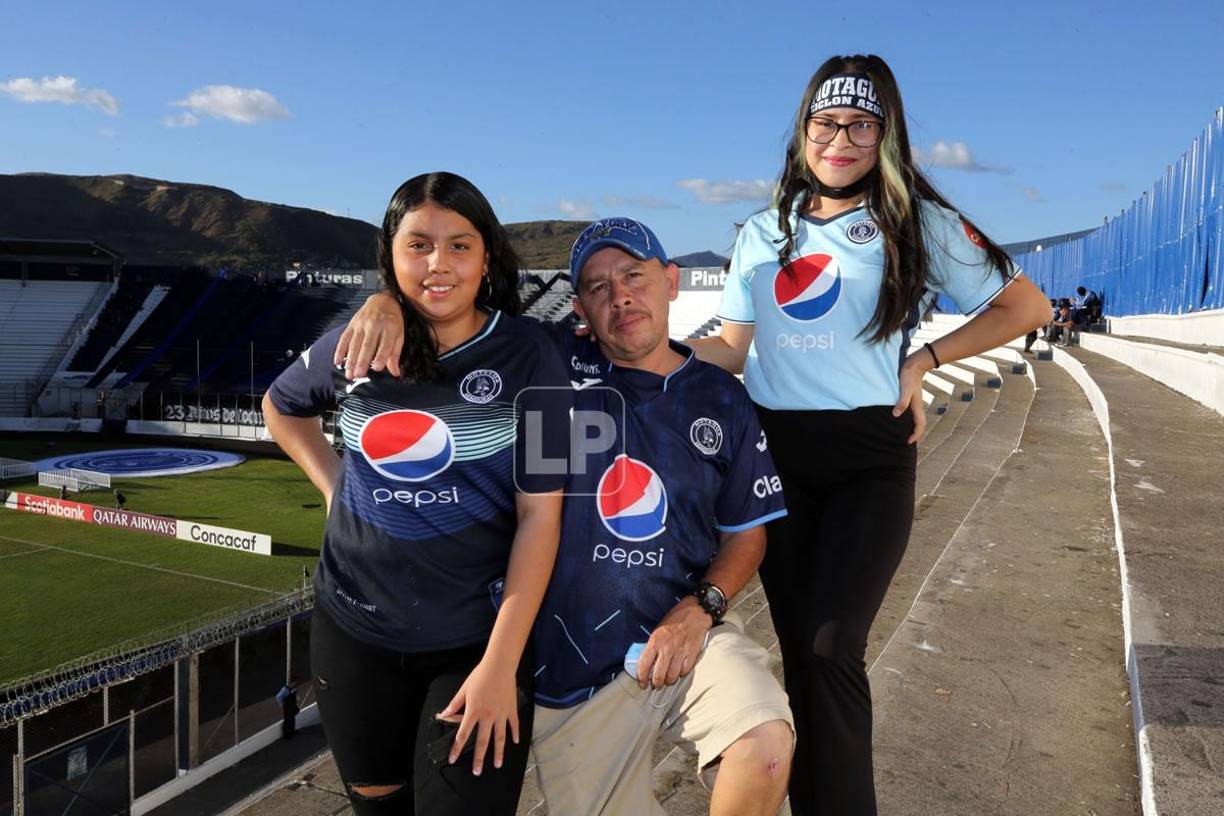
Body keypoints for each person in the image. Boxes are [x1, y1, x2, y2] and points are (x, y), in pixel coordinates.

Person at [684, 55, 1051, 815]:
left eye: (860, 124)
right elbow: (732, 350)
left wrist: (925, 358)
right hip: (776, 462)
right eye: (826, 123)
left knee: (831, 649)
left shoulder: (915, 220)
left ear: (885, 136)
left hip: (869, 463)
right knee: (803, 660)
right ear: (803, 133)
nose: (841, 139)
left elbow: (1026, 308)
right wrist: (653, 350)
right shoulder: (763, 232)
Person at [340, 217, 796, 816]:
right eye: (598, 287)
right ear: (579, 307)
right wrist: (387, 301)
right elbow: (453, 306)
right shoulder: (543, 358)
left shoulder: (721, 397)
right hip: (571, 677)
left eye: (633, 275)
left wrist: (702, 609)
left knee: (763, 744)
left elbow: (746, 536)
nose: (620, 295)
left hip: (685, 640)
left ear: (671, 281)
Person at [263, 171, 570, 815]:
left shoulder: (533, 358)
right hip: (353, 640)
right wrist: (333, 485)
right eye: (419, 245)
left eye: (460, 245)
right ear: (391, 256)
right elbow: (281, 405)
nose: (439, 263)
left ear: (488, 258)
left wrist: (498, 667)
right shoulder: (355, 348)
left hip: (474, 647)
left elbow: (542, 518)